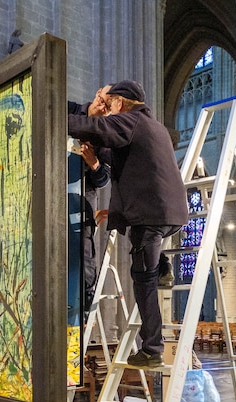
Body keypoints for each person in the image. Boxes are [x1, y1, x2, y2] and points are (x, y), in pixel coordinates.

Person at [67, 80, 188, 368]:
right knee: (148, 261)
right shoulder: (153, 126)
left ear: (120, 103)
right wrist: (95, 156)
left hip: (151, 214)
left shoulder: (130, 120)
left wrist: (53, 118)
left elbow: (94, 128)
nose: (107, 109)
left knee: (142, 278)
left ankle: (152, 349)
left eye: (109, 104)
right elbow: (117, 155)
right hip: (170, 213)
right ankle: (163, 268)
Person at [68, 87, 113, 312]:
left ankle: (84, 300)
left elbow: (104, 180)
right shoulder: (70, 110)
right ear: (97, 93)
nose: (101, 107)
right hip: (56, 189)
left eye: (107, 106)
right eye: (101, 100)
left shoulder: (105, 138)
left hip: (83, 196)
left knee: (84, 247)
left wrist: (94, 163)